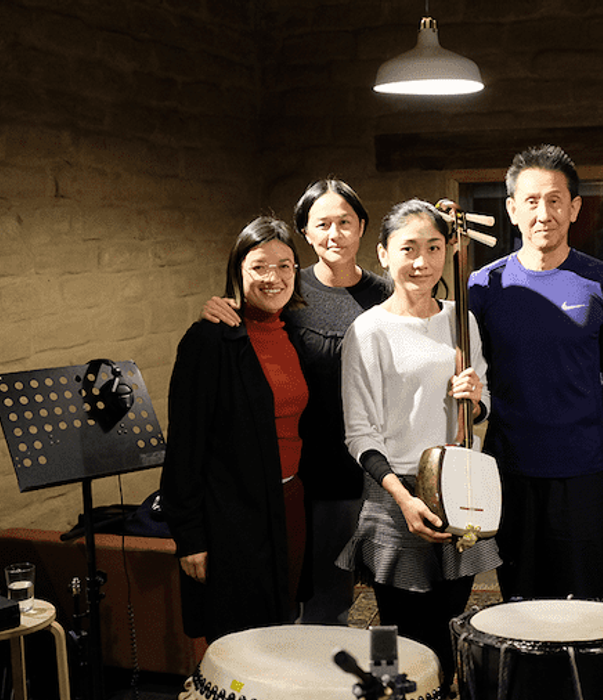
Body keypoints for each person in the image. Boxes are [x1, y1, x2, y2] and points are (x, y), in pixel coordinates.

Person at [201, 180, 391, 625]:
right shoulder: (286, 290)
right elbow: (248, 335)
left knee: (371, 595)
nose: (335, 234)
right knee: (312, 598)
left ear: (362, 227)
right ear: (305, 232)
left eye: (345, 222)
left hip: (373, 467)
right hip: (308, 471)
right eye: (322, 224)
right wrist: (217, 311)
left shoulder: (385, 294)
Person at [337, 199, 499, 688]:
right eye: (408, 248)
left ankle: (438, 690)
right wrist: (404, 499)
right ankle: (389, 692)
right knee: (393, 628)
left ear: (449, 251)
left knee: (448, 620)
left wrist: (476, 399)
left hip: (459, 486)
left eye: (434, 248)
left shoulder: (461, 319)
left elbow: (480, 401)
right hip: (396, 492)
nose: (422, 262)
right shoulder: (368, 331)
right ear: (384, 253)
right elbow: (359, 432)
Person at [467, 144, 603, 600]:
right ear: (512, 209)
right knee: (518, 601)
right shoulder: (484, 286)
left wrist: (586, 424)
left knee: (583, 602)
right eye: (533, 201)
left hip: (582, 473)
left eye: (556, 200)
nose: (545, 213)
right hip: (510, 471)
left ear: (574, 207)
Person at [161, 216, 310, 642]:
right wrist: (189, 537)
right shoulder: (210, 340)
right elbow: (185, 447)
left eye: (285, 266)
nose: (273, 277)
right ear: (237, 271)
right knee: (238, 640)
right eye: (259, 266)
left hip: (290, 501)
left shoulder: (293, 333)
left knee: (285, 627)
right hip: (233, 515)